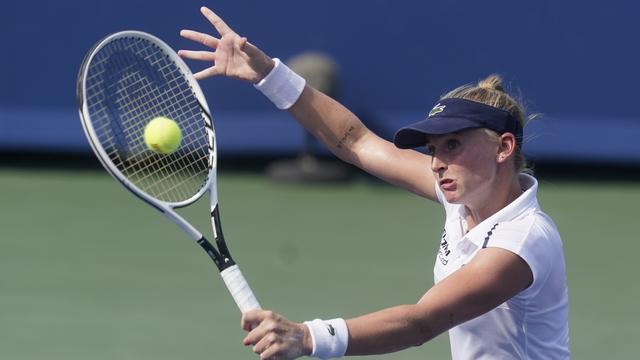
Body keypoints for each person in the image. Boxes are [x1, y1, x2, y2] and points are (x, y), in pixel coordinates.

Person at [178, 6, 570, 360]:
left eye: (453, 146)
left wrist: (307, 336)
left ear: (503, 148)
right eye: (433, 149)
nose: (436, 164)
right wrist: (268, 75)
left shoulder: (521, 240)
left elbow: (422, 322)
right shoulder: (464, 195)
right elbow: (355, 140)